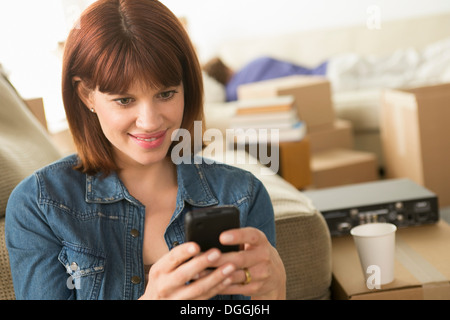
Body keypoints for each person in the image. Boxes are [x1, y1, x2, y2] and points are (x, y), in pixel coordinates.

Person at [5, 0, 286, 300]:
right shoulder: (40, 206)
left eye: (166, 94)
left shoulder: (244, 195)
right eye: (124, 100)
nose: (150, 122)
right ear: (86, 95)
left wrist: (275, 293)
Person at [203, 56, 327, 101]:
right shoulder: (234, 90)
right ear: (227, 69)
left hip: (321, 78)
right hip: (323, 73)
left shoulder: (232, 92)